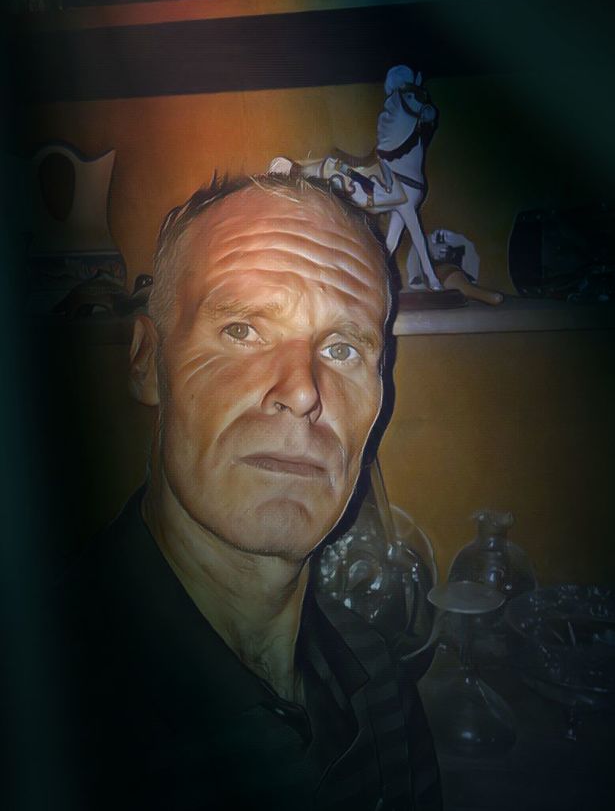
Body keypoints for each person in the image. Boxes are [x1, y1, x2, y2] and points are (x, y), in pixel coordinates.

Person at [59, 175, 441, 810]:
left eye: (343, 348)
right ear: (148, 362)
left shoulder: (379, 676)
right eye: (241, 330)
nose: (303, 390)